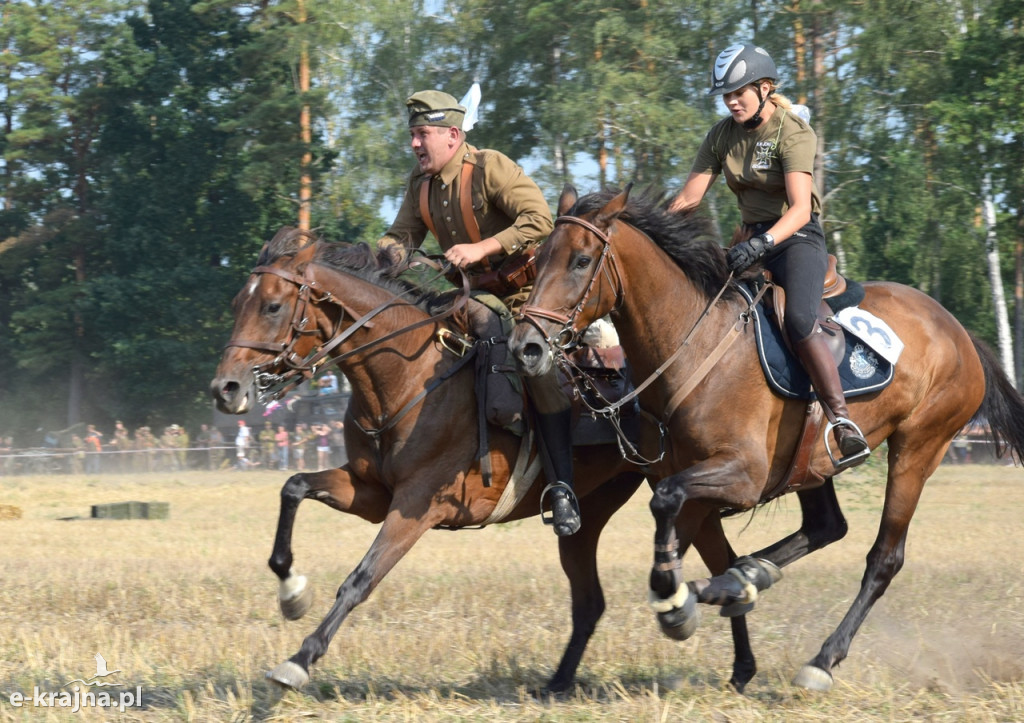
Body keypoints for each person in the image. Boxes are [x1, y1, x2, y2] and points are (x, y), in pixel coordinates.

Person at [375, 89, 579, 536]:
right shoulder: (420, 184)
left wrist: (481, 247)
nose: (413, 144)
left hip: (527, 296)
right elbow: (399, 236)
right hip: (467, 297)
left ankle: (562, 487)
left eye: (421, 134)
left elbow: (540, 219)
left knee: (537, 365)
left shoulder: (490, 167)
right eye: (411, 134)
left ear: (452, 135)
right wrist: (389, 254)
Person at [669, 43, 869, 470]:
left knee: (798, 319)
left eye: (738, 91)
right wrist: (652, 229)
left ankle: (841, 421)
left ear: (764, 87)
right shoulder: (721, 135)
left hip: (796, 238)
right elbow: (690, 196)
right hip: (747, 240)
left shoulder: (792, 131)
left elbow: (799, 209)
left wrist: (762, 245)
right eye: (726, 94)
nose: (731, 101)